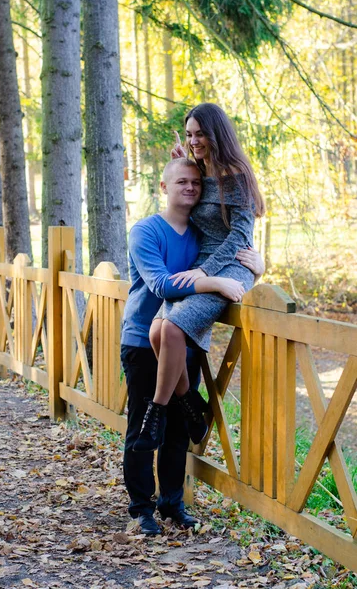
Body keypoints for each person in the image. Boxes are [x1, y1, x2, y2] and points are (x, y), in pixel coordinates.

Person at [121, 156, 263, 535]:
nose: (189, 187)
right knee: (144, 426)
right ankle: (141, 508)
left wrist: (258, 265)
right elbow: (162, 285)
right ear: (163, 188)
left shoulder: (203, 235)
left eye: (196, 183)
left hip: (184, 340)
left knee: (176, 431)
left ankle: (171, 503)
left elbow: (234, 256)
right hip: (141, 339)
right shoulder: (146, 231)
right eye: (181, 182)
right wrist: (213, 283)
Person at [133, 103, 265, 453]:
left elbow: (239, 236)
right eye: (190, 134)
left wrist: (209, 271)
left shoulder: (236, 175)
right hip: (202, 264)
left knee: (173, 328)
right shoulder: (202, 170)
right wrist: (184, 162)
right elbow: (183, 189)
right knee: (157, 330)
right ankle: (191, 405)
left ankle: (157, 412)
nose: (194, 140)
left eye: (200, 134)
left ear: (216, 133)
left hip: (230, 265)